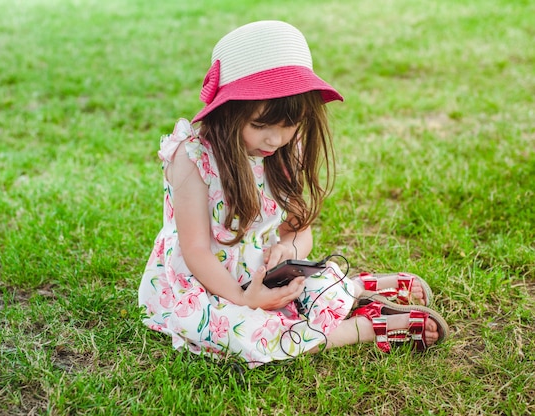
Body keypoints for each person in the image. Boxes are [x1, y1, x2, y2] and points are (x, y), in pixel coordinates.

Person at [138, 20, 449, 366]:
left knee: (301, 287)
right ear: (228, 111)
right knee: (243, 333)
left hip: (261, 274)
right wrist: (244, 301)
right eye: (260, 125)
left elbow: (300, 231)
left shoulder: (284, 152)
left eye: (289, 125)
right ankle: (366, 326)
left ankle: (357, 288)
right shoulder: (193, 158)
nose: (275, 139)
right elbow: (196, 252)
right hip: (204, 282)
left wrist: (288, 249)